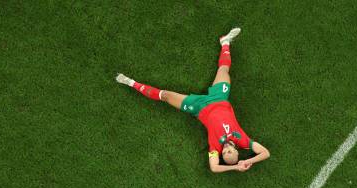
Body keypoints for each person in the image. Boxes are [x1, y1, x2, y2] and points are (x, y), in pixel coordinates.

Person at [115, 28, 270, 173]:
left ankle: (131, 83)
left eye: (224, 153)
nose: (225, 150)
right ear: (237, 151)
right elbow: (265, 153)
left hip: (199, 107)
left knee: (166, 96)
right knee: (223, 70)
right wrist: (250, 161)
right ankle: (225, 42)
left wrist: (235, 167)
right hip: (219, 98)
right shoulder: (243, 140)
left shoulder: (216, 146)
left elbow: (214, 167)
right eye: (230, 151)